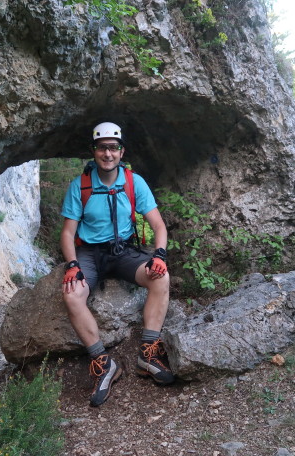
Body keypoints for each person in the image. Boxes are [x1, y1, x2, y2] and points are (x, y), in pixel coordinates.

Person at [60, 121, 174, 407]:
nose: (108, 154)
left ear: (121, 152)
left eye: (113, 148)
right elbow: (67, 233)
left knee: (160, 278)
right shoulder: (81, 185)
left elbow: (158, 225)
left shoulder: (134, 182)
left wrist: (159, 255)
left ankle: (147, 354)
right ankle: (103, 362)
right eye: (102, 148)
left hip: (123, 251)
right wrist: (72, 264)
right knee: (72, 295)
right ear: (94, 151)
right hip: (89, 253)